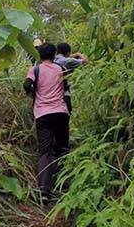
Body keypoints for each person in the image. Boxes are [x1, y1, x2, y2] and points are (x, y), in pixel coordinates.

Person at [24, 43, 69, 203]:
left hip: (43, 114)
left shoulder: (35, 69)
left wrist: (33, 92)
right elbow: (66, 88)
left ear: (40, 55)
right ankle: (65, 185)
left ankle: (44, 190)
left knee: (45, 152)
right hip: (61, 113)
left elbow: (26, 84)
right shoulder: (61, 69)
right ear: (54, 54)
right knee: (62, 148)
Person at [54, 42, 87, 115]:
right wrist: (78, 54)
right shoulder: (67, 61)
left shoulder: (52, 61)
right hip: (63, 96)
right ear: (68, 52)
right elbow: (85, 62)